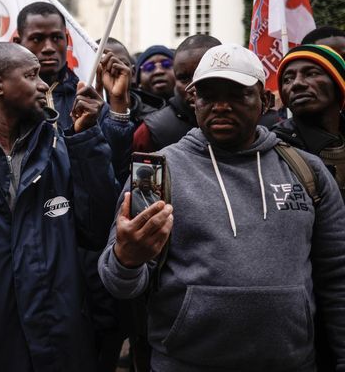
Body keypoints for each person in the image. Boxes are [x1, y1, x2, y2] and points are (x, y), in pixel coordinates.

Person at [99, 44, 345, 371]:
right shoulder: (155, 174)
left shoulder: (305, 170)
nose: (220, 107)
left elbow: (337, 277)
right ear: (193, 100)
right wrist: (125, 261)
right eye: (207, 96)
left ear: (266, 101)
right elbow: (118, 283)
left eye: (237, 94)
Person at [0, 43, 119, 371]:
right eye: (31, 76)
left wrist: (86, 138)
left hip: (61, 348)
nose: (45, 85)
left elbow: (99, 229)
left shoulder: (61, 149)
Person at [13, 2, 133, 182]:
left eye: (56, 38)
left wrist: (118, 106)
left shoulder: (86, 97)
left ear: (67, 40)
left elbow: (115, 169)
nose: (48, 48)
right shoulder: (8, 101)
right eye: (37, 39)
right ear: (18, 43)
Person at [274, 44, 345, 199]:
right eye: (287, 79)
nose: (297, 83)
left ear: (338, 84)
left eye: (311, 73)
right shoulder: (275, 150)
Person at [133, 35, 221, 152]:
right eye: (184, 78)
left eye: (202, 76)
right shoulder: (150, 132)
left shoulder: (248, 123)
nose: (193, 87)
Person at [132, 45, 175, 119]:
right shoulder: (130, 112)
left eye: (166, 64)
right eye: (149, 67)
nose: (158, 71)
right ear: (138, 81)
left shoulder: (192, 110)